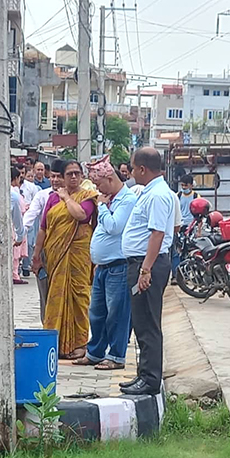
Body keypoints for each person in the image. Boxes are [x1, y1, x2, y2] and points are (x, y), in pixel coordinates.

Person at [118, 147, 176, 396]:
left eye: (132, 168)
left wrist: (145, 270)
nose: (131, 173)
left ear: (142, 169)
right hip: (143, 262)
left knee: (148, 323)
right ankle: (144, 373)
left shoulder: (158, 195)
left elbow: (158, 233)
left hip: (147, 264)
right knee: (141, 322)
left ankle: (151, 379)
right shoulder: (152, 192)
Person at [31, 159, 99, 359]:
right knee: (54, 298)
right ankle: (55, 342)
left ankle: (79, 343)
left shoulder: (88, 197)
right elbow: (44, 227)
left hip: (78, 256)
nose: (73, 177)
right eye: (69, 174)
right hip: (55, 256)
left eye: (77, 173)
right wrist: (36, 255)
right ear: (62, 176)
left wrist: (67, 198)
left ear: (82, 176)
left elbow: (80, 215)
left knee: (79, 298)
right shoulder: (52, 199)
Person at [76, 157, 139, 370]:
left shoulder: (126, 200)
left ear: (110, 179)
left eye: (99, 184)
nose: (97, 190)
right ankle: (95, 352)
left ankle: (116, 356)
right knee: (97, 312)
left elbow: (114, 226)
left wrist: (102, 207)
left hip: (118, 266)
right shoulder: (110, 199)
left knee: (117, 314)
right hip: (102, 266)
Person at [26, 159, 65, 319]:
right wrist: (20, 233)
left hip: (67, 252)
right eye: (53, 176)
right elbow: (32, 215)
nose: (55, 180)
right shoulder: (43, 196)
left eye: (59, 177)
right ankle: (48, 329)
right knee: (46, 295)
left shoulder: (77, 198)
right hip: (46, 251)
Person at [10, 166, 28, 285]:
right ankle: (14, 275)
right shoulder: (14, 194)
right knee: (15, 253)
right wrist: (20, 235)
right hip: (13, 226)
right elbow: (19, 211)